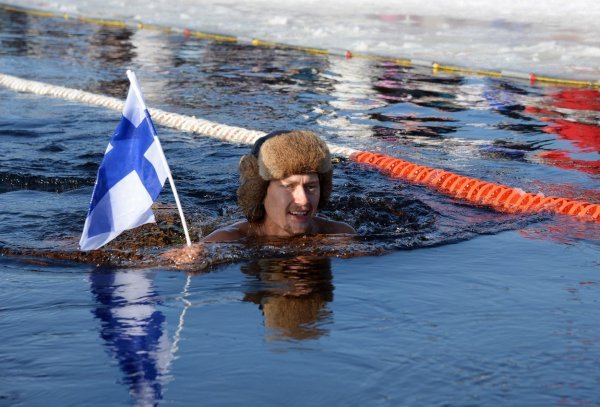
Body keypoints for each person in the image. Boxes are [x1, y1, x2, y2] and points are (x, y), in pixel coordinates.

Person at [164, 130, 355, 265]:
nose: (304, 200)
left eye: (311, 186)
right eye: (288, 186)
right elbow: (166, 261)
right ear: (261, 191)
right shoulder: (229, 239)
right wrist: (190, 258)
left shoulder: (341, 235)